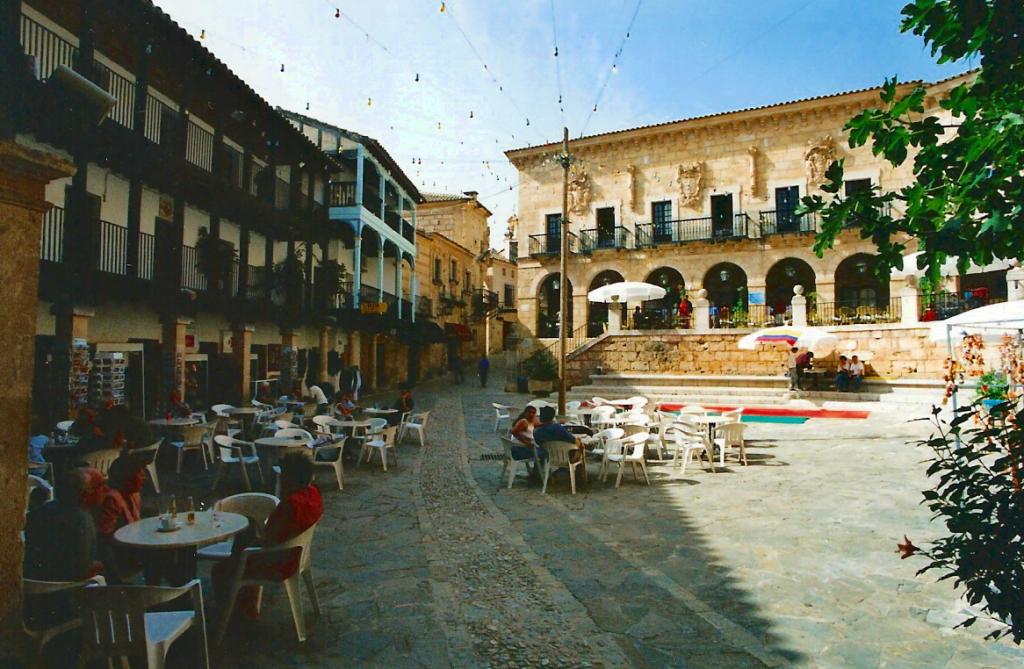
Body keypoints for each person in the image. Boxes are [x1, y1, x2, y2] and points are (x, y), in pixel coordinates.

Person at [213, 452, 323, 619]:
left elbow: (268, 539)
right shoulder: (313, 495)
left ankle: (233, 614)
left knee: (221, 569)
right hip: (297, 555)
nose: (282, 480)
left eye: (284, 475)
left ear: (291, 478)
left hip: (278, 563)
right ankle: (244, 603)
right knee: (247, 531)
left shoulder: (290, 505)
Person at [24, 467, 106, 582]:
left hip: (33, 582)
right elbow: (79, 570)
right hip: (64, 588)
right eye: (101, 486)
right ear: (85, 493)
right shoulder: (82, 521)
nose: (105, 490)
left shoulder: (43, 510)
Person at [96, 454, 146, 582]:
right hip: (121, 552)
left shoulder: (134, 494)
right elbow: (104, 537)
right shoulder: (112, 499)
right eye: (140, 474)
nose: (144, 478)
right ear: (128, 478)